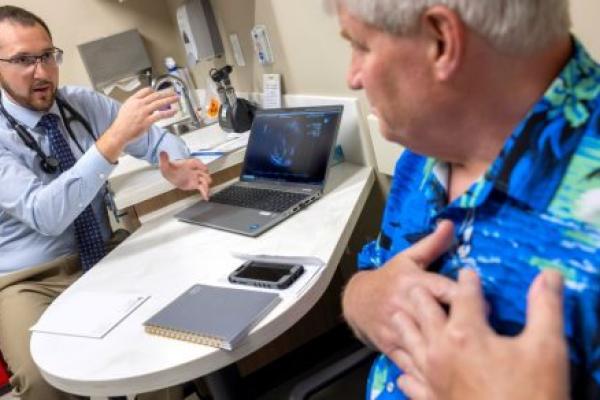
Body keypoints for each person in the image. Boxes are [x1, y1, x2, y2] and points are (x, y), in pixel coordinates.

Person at [333, 0, 600, 399]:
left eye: (361, 45)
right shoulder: (429, 144)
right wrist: (361, 298)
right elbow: (376, 269)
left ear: (441, 41)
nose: (352, 76)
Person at [0, 6, 211, 400]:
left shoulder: (80, 103)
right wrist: (111, 142)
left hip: (103, 253)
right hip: (30, 280)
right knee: (42, 378)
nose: (42, 72)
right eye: (23, 60)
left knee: (170, 329)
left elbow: (155, 139)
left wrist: (175, 163)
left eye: (47, 56)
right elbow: (45, 214)